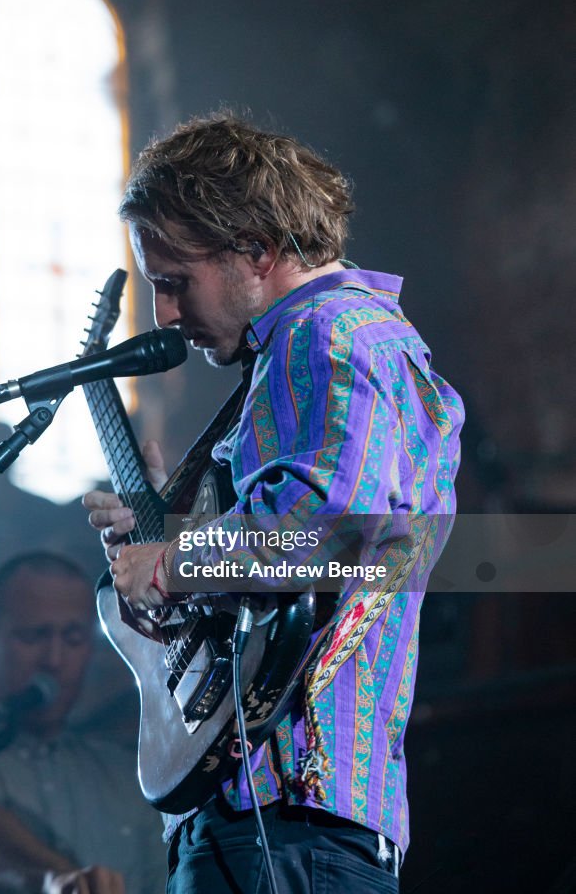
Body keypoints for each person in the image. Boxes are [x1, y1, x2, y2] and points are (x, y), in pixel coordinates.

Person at [84, 114, 464, 893]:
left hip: (284, 818)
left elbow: (327, 534)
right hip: (281, 820)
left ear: (254, 249)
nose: (163, 315)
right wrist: (178, 525)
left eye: (174, 282)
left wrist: (168, 564)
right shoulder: (331, 341)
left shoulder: (321, 334)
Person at [0, 552, 166, 894]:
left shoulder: (132, 775)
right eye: (33, 636)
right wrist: (52, 879)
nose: (54, 659)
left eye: (73, 638)